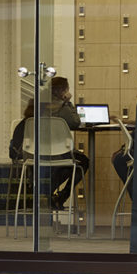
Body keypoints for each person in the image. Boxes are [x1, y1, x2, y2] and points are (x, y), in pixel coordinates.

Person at [31, 76, 89, 212]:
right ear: (64, 91)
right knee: (83, 162)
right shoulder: (62, 107)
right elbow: (75, 122)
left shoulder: (38, 104)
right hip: (58, 153)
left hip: (37, 152)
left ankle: (47, 193)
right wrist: (68, 102)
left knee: (64, 164)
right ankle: (60, 197)